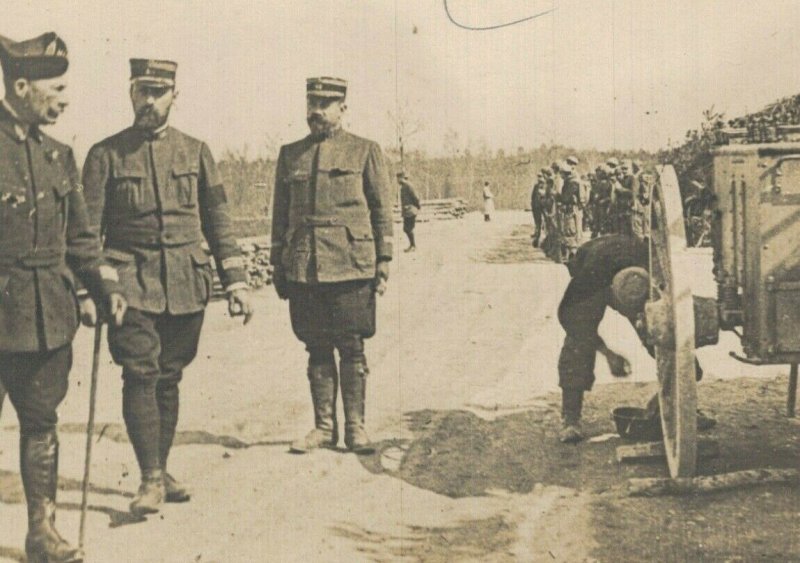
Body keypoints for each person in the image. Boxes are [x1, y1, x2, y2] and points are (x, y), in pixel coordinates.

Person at [81, 58, 253, 516]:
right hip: (129, 282)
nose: (150, 101)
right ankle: (150, 479)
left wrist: (235, 281)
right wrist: (94, 288)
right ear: (130, 92)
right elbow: (86, 232)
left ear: (176, 95)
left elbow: (218, 220)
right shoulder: (105, 154)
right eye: (142, 91)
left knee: (170, 377)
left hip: (184, 281)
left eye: (159, 92)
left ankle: (159, 465)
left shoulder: (196, 151)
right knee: (140, 372)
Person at [0, 32, 126, 562]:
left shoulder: (59, 155)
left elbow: (80, 238)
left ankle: (40, 534)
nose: (65, 97)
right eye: (57, 87)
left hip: (46, 317)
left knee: (40, 423)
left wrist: (106, 285)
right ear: (22, 85)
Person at [270, 77, 393, 454]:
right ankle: (324, 428)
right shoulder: (291, 154)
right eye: (312, 102)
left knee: (352, 346)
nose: (317, 111)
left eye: (326, 103)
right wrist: (279, 260)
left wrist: (383, 259)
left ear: (343, 108)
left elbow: (382, 209)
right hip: (306, 264)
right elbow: (279, 215)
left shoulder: (364, 151)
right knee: (316, 346)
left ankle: (356, 427)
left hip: (351, 264)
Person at [557, 234, 712, 443]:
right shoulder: (590, 280)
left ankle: (682, 404)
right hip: (598, 265)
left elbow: (673, 328)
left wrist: (688, 369)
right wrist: (608, 353)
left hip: (635, 269)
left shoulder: (654, 272)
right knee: (578, 345)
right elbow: (573, 321)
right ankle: (570, 418)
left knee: (662, 330)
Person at [398, 171, 420, 252]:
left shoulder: (408, 186)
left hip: (411, 210)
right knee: (406, 229)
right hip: (407, 211)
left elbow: (416, 197)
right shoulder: (404, 187)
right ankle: (412, 245)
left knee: (408, 228)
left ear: (402, 178)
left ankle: (413, 246)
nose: (397, 180)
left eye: (398, 178)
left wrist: (417, 206)